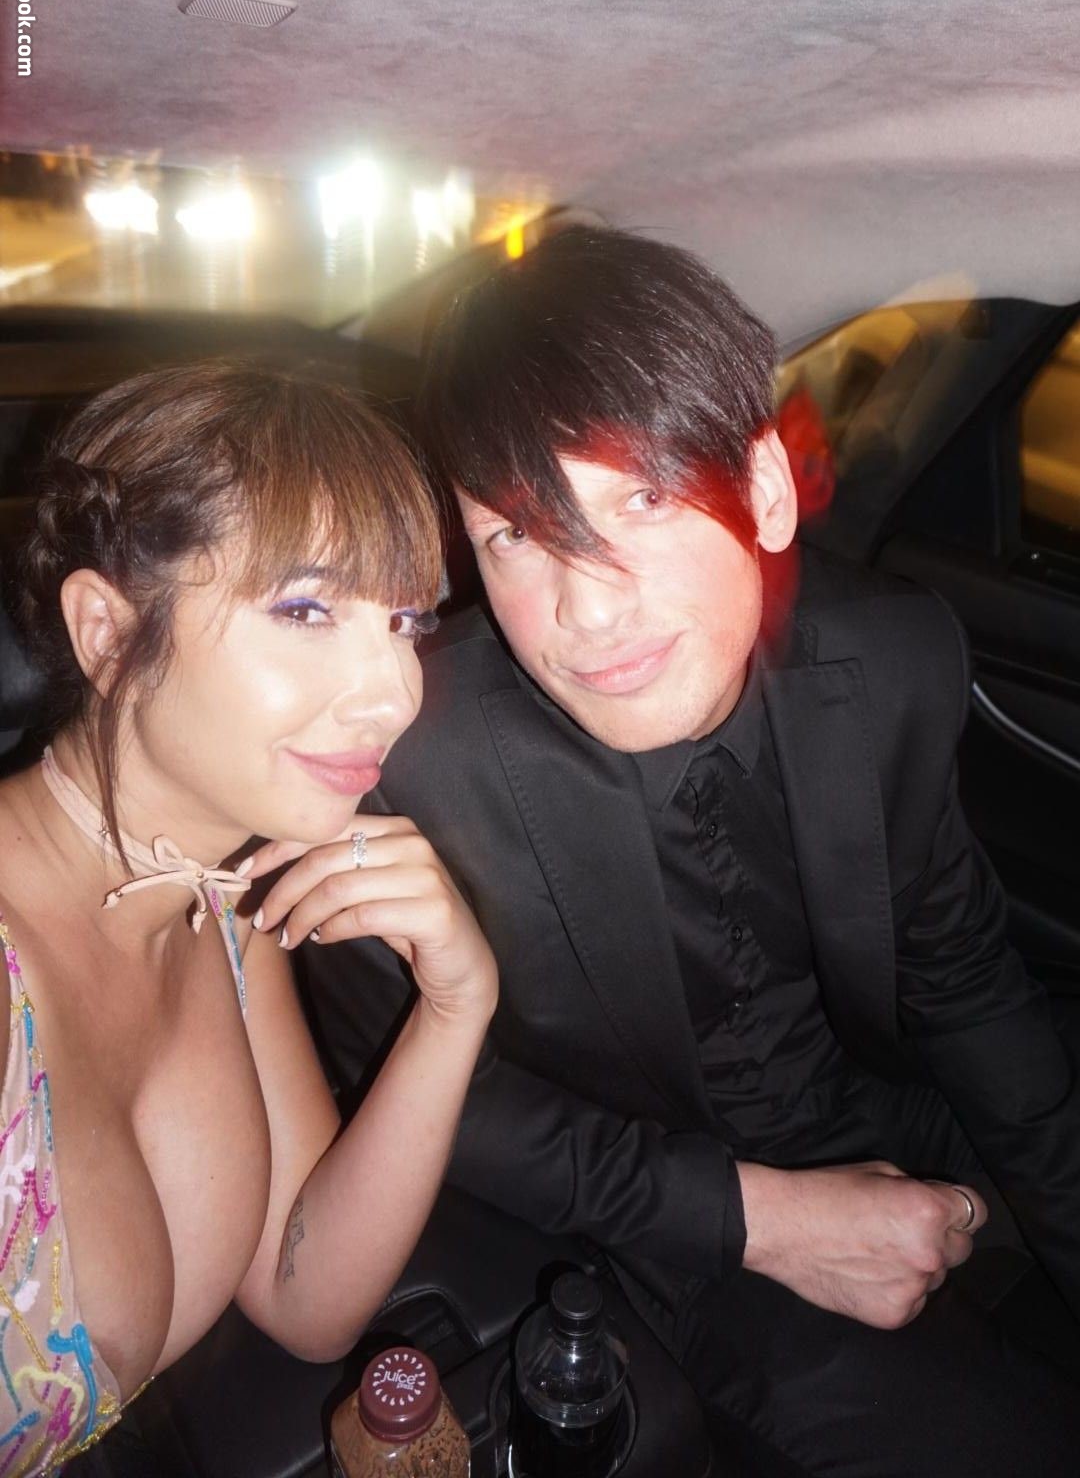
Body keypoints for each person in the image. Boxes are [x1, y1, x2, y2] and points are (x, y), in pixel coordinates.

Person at [295, 226, 1080, 1477]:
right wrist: (765, 1220)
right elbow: (426, 1101)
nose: (587, 607)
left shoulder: (893, 655)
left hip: (887, 1106)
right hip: (654, 1209)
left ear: (764, 489)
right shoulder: (401, 763)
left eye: (641, 500)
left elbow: (962, 973)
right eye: (514, 536)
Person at [0, 363, 497, 1476]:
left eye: (403, 618)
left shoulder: (225, 910)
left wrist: (456, 1005)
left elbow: (304, 1291)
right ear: (108, 632)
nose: (396, 690)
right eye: (307, 609)